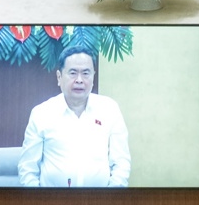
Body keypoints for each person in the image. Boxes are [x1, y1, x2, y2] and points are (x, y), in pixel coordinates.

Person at [18, 46, 130, 188]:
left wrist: (109, 198)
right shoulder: (41, 113)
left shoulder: (109, 109)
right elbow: (28, 169)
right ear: (59, 77)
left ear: (93, 76)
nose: (79, 80)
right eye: (73, 73)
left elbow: (121, 163)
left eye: (85, 73)